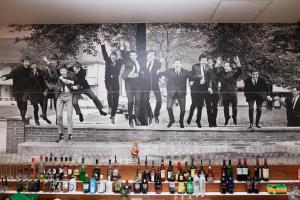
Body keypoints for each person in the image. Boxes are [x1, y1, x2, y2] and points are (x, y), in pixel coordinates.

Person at [100, 38, 129, 124]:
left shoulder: (119, 62)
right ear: (110, 57)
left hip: (115, 81)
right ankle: (110, 107)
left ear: (116, 57)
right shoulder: (108, 60)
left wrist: (123, 49)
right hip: (108, 81)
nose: (113, 59)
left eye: (114, 57)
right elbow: (104, 53)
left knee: (116, 98)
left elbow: (125, 58)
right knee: (110, 92)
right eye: (112, 57)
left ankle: (113, 116)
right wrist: (102, 44)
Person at [158, 58, 191, 128]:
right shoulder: (169, 71)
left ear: (181, 64)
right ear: (173, 64)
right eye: (175, 63)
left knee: (183, 110)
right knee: (169, 107)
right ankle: (171, 120)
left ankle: (181, 121)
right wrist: (157, 73)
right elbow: (161, 73)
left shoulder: (185, 72)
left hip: (181, 93)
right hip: (171, 92)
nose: (177, 64)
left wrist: (200, 77)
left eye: (178, 63)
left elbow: (192, 76)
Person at [1, 57, 32, 124]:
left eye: (28, 62)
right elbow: (11, 75)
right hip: (17, 89)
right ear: (23, 62)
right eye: (26, 62)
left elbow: (34, 78)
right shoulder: (17, 69)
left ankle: (23, 115)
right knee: (19, 102)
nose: (27, 63)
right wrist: (5, 77)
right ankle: (22, 112)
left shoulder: (30, 70)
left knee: (24, 100)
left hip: (26, 89)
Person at [214, 56, 242, 126]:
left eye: (227, 66)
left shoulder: (234, 73)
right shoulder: (222, 73)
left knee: (234, 108)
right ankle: (227, 118)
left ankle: (234, 118)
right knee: (225, 109)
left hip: (233, 94)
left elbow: (240, 71)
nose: (225, 67)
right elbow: (214, 72)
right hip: (225, 94)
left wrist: (238, 63)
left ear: (230, 67)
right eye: (224, 66)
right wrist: (217, 64)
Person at [187, 54, 213, 128]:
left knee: (206, 105)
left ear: (207, 61)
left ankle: (209, 122)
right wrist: (198, 77)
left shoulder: (209, 67)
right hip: (196, 88)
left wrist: (209, 87)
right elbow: (190, 76)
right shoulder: (195, 66)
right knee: (194, 104)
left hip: (205, 88)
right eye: (202, 60)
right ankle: (190, 118)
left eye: (205, 60)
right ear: (199, 60)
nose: (204, 61)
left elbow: (210, 79)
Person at [54, 64, 77, 142]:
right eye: (61, 71)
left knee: (69, 116)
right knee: (58, 116)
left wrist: (74, 84)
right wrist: (57, 89)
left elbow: (77, 82)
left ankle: (70, 135)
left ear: (66, 70)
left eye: (63, 71)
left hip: (69, 96)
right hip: (60, 97)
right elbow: (56, 86)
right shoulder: (59, 78)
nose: (62, 72)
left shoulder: (71, 75)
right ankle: (61, 134)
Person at [122, 50, 145, 128]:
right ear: (129, 56)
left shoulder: (140, 62)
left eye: (134, 55)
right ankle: (130, 119)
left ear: (136, 55)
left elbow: (142, 71)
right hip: (129, 84)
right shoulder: (128, 62)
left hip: (138, 84)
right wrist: (129, 75)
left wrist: (139, 74)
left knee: (138, 101)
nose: (133, 57)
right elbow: (128, 69)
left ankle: (136, 118)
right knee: (131, 101)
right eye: (131, 55)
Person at [144, 50, 162, 124]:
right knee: (145, 101)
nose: (150, 56)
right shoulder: (143, 63)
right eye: (149, 54)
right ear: (147, 55)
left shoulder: (158, 63)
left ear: (154, 56)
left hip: (155, 84)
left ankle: (156, 115)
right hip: (146, 84)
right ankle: (150, 115)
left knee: (159, 100)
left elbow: (161, 69)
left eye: (152, 55)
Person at [40, 55, 60, 124]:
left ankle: (58, 118)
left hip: (56, 88)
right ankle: (44, 114)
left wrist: (48, 62)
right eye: (52, 60)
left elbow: (57, 76)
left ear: (57, 61)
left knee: (56, 104)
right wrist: (48, 85)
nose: (53, 62)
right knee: (44, 97)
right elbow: (45, 79)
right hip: (49, 87)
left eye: (54, 60)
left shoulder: (59, 68)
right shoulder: (46, 69)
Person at [206, 58, 220, 127]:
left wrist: (217, 65)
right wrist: (208, 87)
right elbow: (206, 80)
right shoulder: (206, 71)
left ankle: (214, 121)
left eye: (210, 62)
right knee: (208, 108)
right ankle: (210, 123)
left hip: (215, 92)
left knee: (215, 108)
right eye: (208, 63)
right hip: (207, 92)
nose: (209, 64)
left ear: (213, 63)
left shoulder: (216, 71)